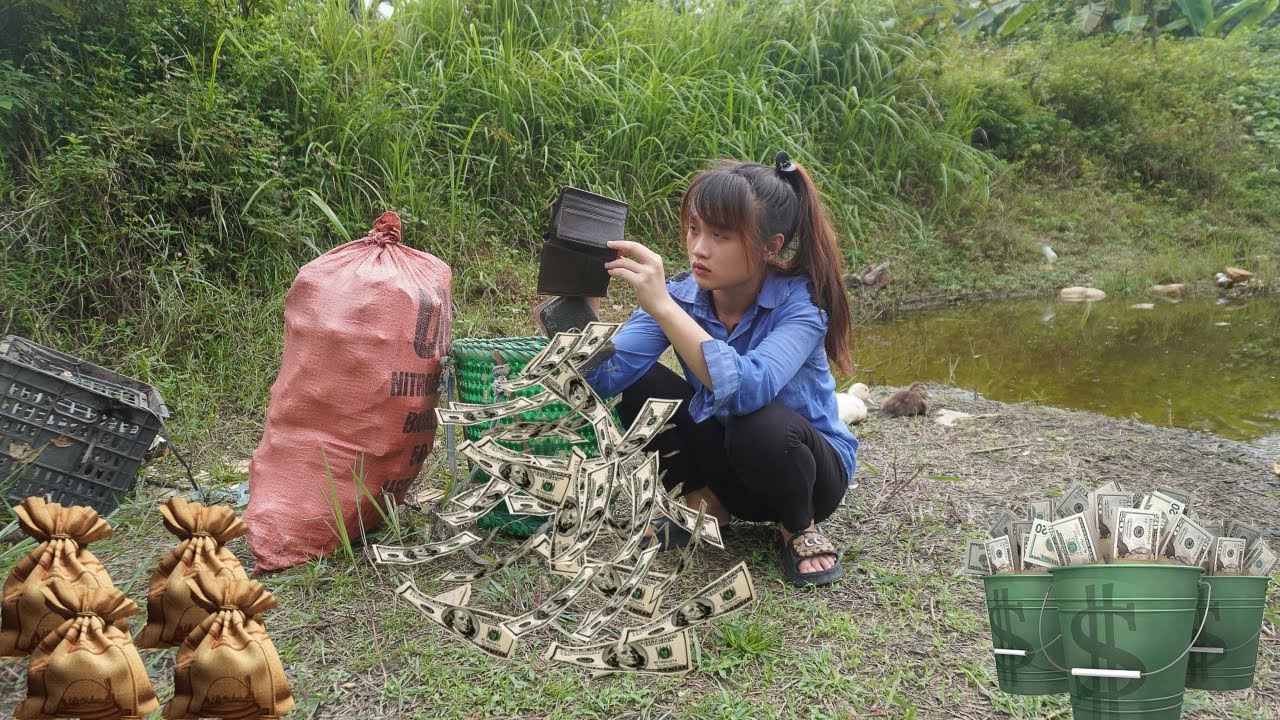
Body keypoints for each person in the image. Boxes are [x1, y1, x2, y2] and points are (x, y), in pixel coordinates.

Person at [582, 152, 858, 587]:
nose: (699, 248)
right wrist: (582, 310)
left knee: (759, 421)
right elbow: (603, 377)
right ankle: (706, 505)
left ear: (771, 246)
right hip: (729, 466)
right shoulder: (680, 294)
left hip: (805, 475)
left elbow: (751, 388)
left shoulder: (803, 304)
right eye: (694, 229)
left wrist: (666, 310)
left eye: (720, 235)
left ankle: (797, 528)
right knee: (642, 385)